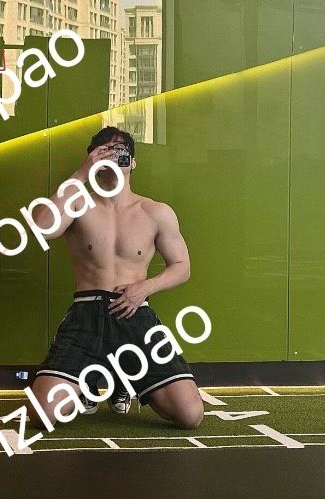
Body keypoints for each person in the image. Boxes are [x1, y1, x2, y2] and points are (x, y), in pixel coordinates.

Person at [29, 126, 203, 430]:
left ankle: (124, 378)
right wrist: (82, 172)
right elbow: (42, 228)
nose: (113, 157)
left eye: (120, 151)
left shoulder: (155, 211)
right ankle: (88, 381)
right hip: (86, 315)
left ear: (132, 162)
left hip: (135, 314)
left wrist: (145, 287)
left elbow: (182, 266)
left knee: (190, 415)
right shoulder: (78, 204)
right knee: (41, 414)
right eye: (105, 151)